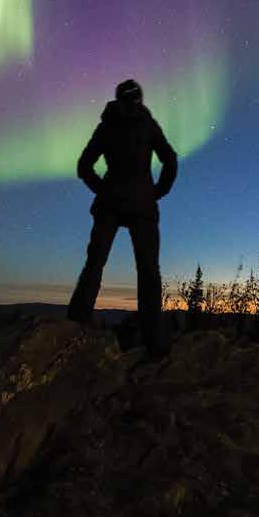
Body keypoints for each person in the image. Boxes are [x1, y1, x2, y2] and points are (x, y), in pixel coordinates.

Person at [67, 78, 178, 359]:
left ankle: (73, 328)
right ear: (139, 99)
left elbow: (84, 166)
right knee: (148, 272)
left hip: (112, 203)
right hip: (142, 204)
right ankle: (155, 344)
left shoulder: (108, 125)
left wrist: (103, 189)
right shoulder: (147, 124)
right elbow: (170, 160)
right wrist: (157, 191)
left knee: (95, 264)